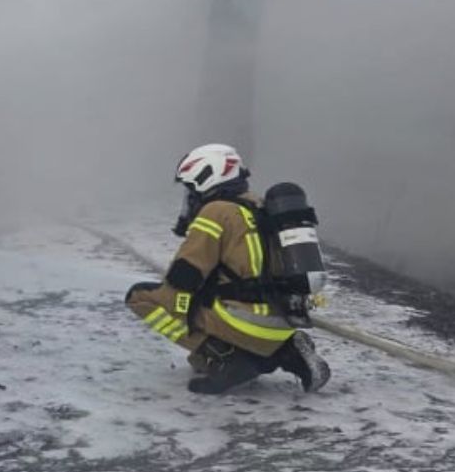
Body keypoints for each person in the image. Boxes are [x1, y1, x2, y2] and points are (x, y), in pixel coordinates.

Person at [125, 143, 331, 394]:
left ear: (207, 177)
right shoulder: (259, 205)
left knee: (142, 297)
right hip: (284, 318)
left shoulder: (215, 212)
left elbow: (185, 277)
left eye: (191, 188)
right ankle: (288, 350)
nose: (189, 197)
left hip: (243, 322)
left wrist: (181, 308)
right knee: (204, 336)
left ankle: (223, 358)